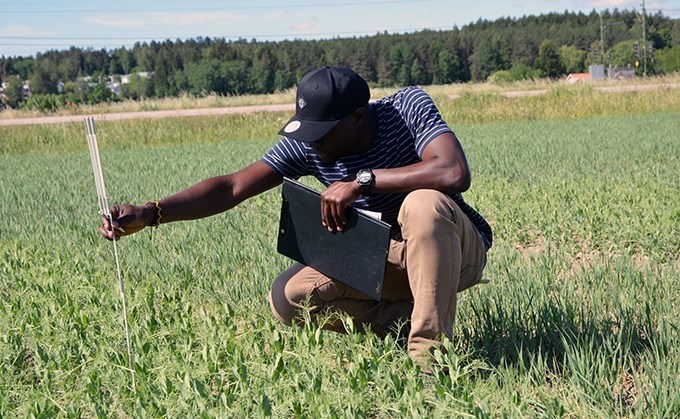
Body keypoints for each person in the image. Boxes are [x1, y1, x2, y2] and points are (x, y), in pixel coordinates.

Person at [100, 66, 493, 371]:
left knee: (422, 204)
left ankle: (430, 361)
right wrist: (151, 213)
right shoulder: (311, 145)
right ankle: (405, 322)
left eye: (322, 131)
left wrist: (363, 181)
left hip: (453, 248)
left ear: (358, 117)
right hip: (381, 259)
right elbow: (233, 187)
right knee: (289, 298)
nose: (312, 140)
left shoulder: (406, 107)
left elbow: (453, 171)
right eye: (307, 130)